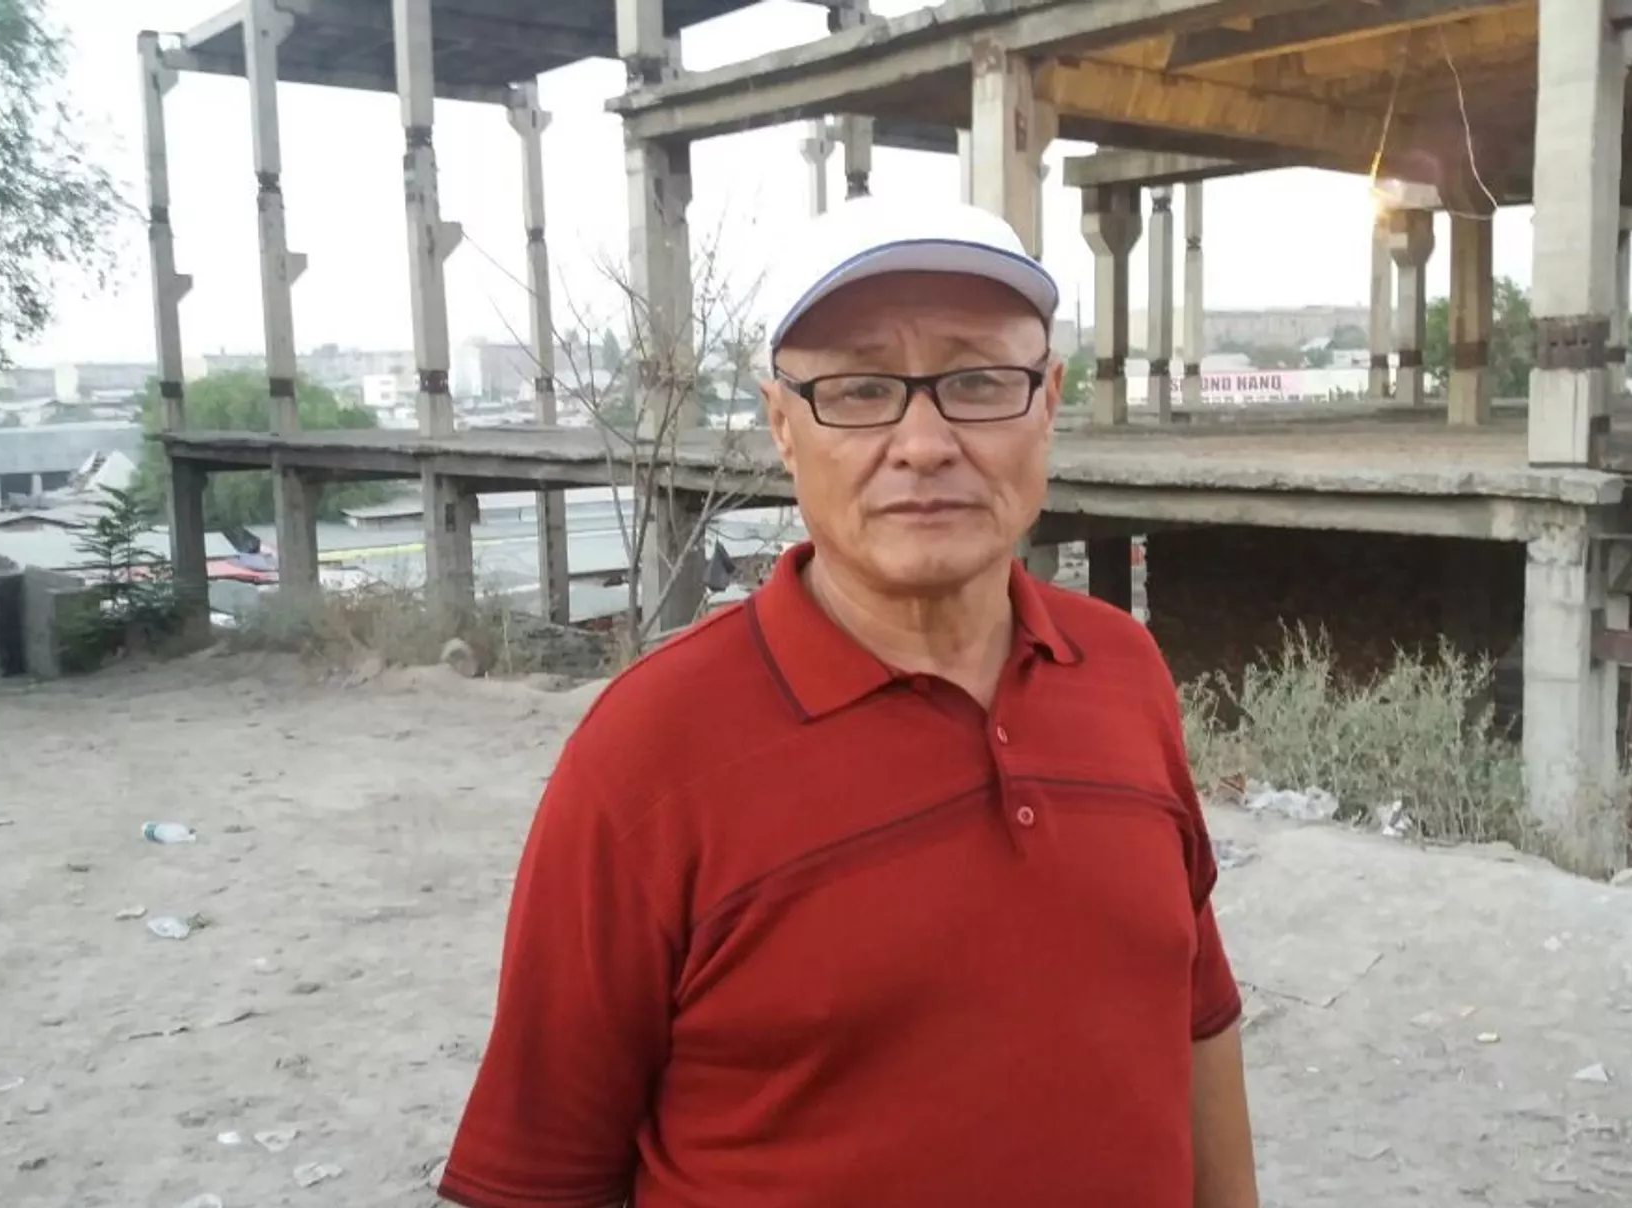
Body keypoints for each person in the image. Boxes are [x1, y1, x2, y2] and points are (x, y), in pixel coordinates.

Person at [438, 196, 1257, 1208]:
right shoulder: (650, 750)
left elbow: (1193, 1008)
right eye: (861, 390)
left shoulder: (1121, 668)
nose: (924, 443)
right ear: (783, 426)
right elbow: (535, 1174)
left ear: (1047, 401)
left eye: (977, 381)